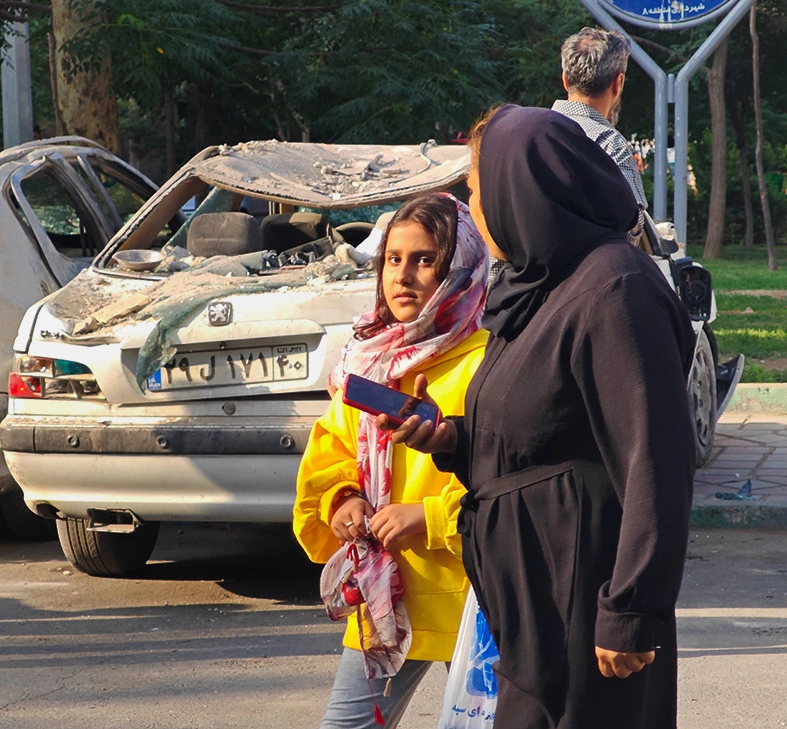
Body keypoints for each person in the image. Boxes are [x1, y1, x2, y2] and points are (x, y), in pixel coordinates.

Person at [390, 105, 696, 728]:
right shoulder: (538, 290)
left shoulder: (614, 288)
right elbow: (538, 430)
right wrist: (450, 440)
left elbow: (656, 460)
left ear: (518, 188)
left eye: (474, 190)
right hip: (533, 608)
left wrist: (632, 608)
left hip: (585, 602)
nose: (472, 209)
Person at [294, 193, 490, 728]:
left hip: (474, 600)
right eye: (392, 259)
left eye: (425, 260)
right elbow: (330, 446)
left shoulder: (487, 360)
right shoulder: (370, 356)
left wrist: (425, 518)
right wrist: (343, 499)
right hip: (387, 596)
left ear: (460, 270)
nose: (403, 276)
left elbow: (510, 480)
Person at [553, 27, 648, 211]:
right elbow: (631, 224)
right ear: (618, 83)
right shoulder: (610, 143)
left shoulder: (526, 134)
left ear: (565, 80)